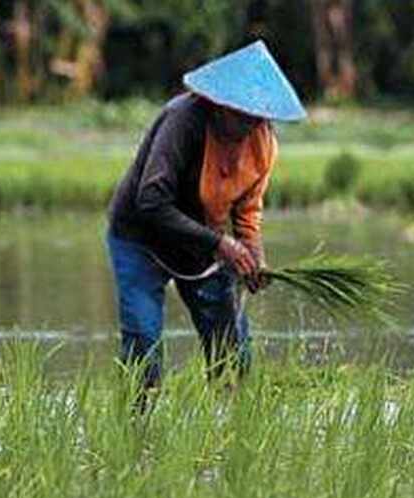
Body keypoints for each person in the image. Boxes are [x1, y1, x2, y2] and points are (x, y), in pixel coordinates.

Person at [106, 41, 307, 390]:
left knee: (233, 354)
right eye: (241, 115)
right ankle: (136, 431)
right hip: (141, 239)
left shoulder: (262, 142)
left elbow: (248, 209)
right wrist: (220, 244)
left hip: (201, 246)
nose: (249, 126)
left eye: (257, 117)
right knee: (144, 347)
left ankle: (226, 431)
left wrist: (254, 256)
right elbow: (151, 201)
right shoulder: (182, 122)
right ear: (218, 106)